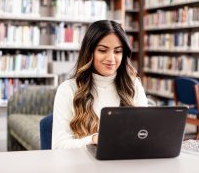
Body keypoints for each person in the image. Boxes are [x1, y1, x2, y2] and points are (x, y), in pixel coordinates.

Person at [52, 20, 148, 149]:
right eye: (103, 50)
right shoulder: (68, 89)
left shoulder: (133, 85)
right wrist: (93, 139)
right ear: (89, 52)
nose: (111, 59)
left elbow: (145, 135)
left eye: (118, 51)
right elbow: (58, 146)